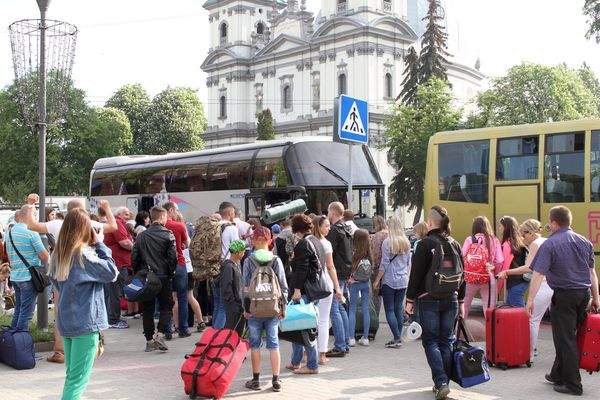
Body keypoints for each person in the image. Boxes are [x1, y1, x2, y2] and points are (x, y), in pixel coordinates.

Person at [24, 197, 116, 364]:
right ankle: (84, 345)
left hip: (62, 270)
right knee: (77, 377)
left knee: (61, 310)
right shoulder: (90, 228)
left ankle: (60, 350)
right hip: (88, 274)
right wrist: (107, 208)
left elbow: (31, 225)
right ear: (83, 212)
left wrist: (31, 205)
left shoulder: (58, 224)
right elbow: (113, 227)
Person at [527, 206, 600, 396]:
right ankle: (557, 374)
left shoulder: (550, 244)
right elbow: (592, 273)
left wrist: (530, 300)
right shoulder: (584, 241)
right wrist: (596, 298)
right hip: (583, 295)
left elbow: (538, 273)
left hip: (564, 296)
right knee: (567, 336)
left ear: (553, 223)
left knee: (565, 339)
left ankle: (573, 384)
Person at [48, 208, 118, 400]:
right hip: (85, 321)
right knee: (77, 381)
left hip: (66, 321)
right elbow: (111, 272)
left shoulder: (58, 255)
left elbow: (56, 284)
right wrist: (101, 244)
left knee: (72, 376)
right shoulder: (84, 256)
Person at [406, 206, 466, 400]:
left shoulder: (424, 244)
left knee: (431, 341)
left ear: (430, 223)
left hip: (427, 299)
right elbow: (462, 275)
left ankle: (440, 382)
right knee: (446, 340)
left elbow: (415, 276)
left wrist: (409, 300)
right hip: (451, 298)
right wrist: (462, 300)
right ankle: (443, 383)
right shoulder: (455, 244)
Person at [497, 219, 550, 361]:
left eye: (524, 234)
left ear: (531, 233)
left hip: (543, 286)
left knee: (533, 320)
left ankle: (530, 354)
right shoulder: (548, 241)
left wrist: (507, 272)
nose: (523, 238)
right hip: (556, 286)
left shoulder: (535, 244)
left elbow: (528, 268)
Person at [243, 236, 288, 392]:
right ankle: (276, 381)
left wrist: (246, 309)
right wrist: (284, 308)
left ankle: (256, 380)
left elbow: (246, 287)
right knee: (274, 344)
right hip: (273, 307)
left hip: (255, 309)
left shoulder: (249, 261)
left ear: (254, 243)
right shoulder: (276, 260)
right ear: (269, 242)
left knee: (255, 345)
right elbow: (283, 286)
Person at [131, 206, 177, 352]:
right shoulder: (168, 234)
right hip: (163, 276)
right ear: (163, 217)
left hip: (146, 276)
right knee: (167, 306)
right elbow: (172, 258)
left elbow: (134, 257)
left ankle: (149, 340)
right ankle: (161, 333)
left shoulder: (142, 236)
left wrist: (139, 272)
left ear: (151, 218)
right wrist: (170, 273)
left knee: (148, 309)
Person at [6, 206, 50, 331]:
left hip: (15, 277)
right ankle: (21, 343)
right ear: (29, 216)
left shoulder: (9, 232)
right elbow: (44, 255)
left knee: (19, 310)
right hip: (28, 278)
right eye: (34, 215)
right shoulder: (32, 233)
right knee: (26, 313)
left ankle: (13, 341)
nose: (35, 218)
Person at [287, 214, 320, 375]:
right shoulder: (316, 241)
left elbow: (301, 269)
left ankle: (312, 365)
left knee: (305, 329)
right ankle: (295, 361)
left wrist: (297, 290)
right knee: (299, 326)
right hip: (313, 290)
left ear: (296, 228)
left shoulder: (303, 244)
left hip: (304, 291)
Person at [373, 217, 410, 349]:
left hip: (389, 279)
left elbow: (384, 264)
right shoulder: (406, 242)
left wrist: (377, 279)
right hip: (403, 279)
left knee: (389, 309)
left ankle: (397, 338)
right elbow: (407, 263)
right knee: (398, 309)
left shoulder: (387, 242)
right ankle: (397, 337)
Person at [311, 215, 341, 365]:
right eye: (326, 226)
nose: (329, 228)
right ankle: (322, 355)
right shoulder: (326, 244)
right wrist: (337, 287)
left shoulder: (307, 241)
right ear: (319, 226)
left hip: (310, 285)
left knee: (309, 320)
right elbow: (330, 267)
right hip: (325, 284)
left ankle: (306, 354)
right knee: (323, 320)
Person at [325, 201, 352, 358]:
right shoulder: (347, 228)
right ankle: (345, 343)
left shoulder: (335, 230)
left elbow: (329, 253)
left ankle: (340, 346)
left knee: (334, 308)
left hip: (337, 271)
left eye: (329, 212)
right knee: (341, 307)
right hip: (345, 271)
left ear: (333, 213)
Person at [461, 216, 503, 317]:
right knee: (488, 309)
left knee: (464, 307)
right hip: (488, 278)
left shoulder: (469, 240)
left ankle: (458, 331)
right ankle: (490, 332)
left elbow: (462, 257)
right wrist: (494, 273)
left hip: (470, 277)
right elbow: (499, 261)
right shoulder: (494, 240)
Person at [103, 206, 135, 328]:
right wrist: (137, 248)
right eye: (126, 214)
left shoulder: (117, 222)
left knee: (112, 291)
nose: (128, 216)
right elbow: (124, 242)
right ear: (119, 214)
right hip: (118, 263)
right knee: (115, 292)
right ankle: (113, 320)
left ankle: (111, 317)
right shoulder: (117, 223)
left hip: (115, 262)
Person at [162, 201, 191, 338]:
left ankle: (167, 330)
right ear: (171, 210)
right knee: (183, 297)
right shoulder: (179, 226)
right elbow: (187, 244)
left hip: (163, 266)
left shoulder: (158, 227)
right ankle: (183, 329)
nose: (177, 212)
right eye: (176, 209)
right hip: (179, 263)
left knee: (167, 298)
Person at [213, 201, 240, 329]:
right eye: (233, 212)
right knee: (224, 305)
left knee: (217, 303)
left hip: (212, 268)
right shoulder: (231, 228)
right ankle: (216, 337)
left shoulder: (213, 226)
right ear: (229, 212)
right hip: (227, 268)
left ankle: (212, 334)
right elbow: (237, 249)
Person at [347, 229, 372, 347]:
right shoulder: (368, 252)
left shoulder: (353, 252)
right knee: (365, 308)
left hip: (354, 283)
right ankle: (365, 338)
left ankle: (351, 338)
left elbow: (349, 267)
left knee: (352, 309)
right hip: (365, 283)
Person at [499, 216, 528, 307]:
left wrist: (498, 283)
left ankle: (525, 322)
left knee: (518, 311)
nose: (499, 228)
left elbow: (505, 265)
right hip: (521, 280)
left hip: (514, 282)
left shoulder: (508, 244)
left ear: (506, 227)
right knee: (510, 308)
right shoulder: (518, 242)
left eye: (500, 226)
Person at [220, 239, 246, 336]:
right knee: (233, 330)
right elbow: (227, 287)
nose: (244, 253)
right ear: (239, 252)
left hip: (237, 303)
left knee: (236, 330)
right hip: (233, 305)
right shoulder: (229, 267)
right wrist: (233, 303)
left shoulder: (234, 265)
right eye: (243, 251)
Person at [370, 215, 388, 318]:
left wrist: (373, 266)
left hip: (378, 268)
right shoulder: (390, 234)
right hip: (390, 268)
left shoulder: (378, 236)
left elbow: (375, 254)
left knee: (376, 295)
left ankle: (375, 316)